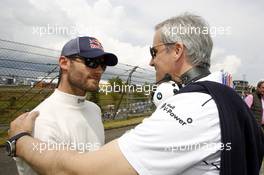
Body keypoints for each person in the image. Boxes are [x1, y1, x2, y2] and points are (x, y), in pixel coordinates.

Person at [7, 13, 264, 175]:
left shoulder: (190, 107)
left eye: (154, 52)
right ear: (63, 62)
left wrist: (19, 140)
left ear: (177, 51)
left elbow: (83, 170)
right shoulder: (227, 97)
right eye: (91, 62)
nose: (151, 63)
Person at [14, 36, 118, 175]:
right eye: (91, 62)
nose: (99, 71)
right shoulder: (41, 120)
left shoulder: (94, 109)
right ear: (64, 63)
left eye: (102, 65)